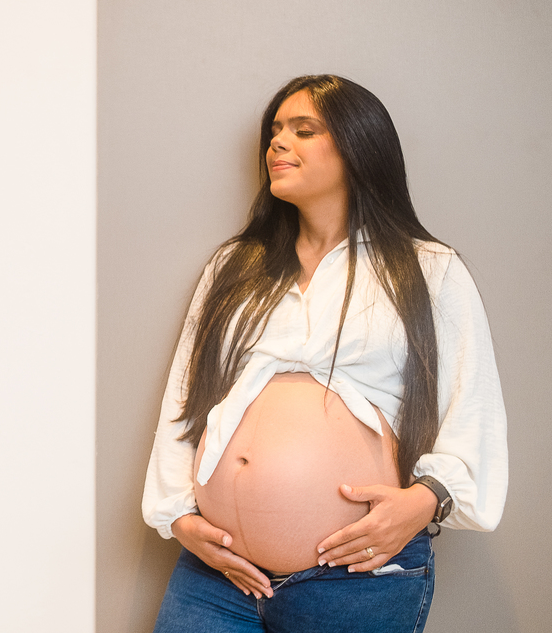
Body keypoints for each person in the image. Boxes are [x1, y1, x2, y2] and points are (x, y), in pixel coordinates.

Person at [142, 75, 507, 633]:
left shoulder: (428, 270)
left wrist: (424, 502)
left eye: (303, 130)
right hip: (216, 575)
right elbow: (185, 398)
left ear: (359, 147)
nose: (277, 142)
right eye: (275, 130)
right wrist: (178, 519)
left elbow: (470, 409)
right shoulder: (234, 266)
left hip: (357, 575)